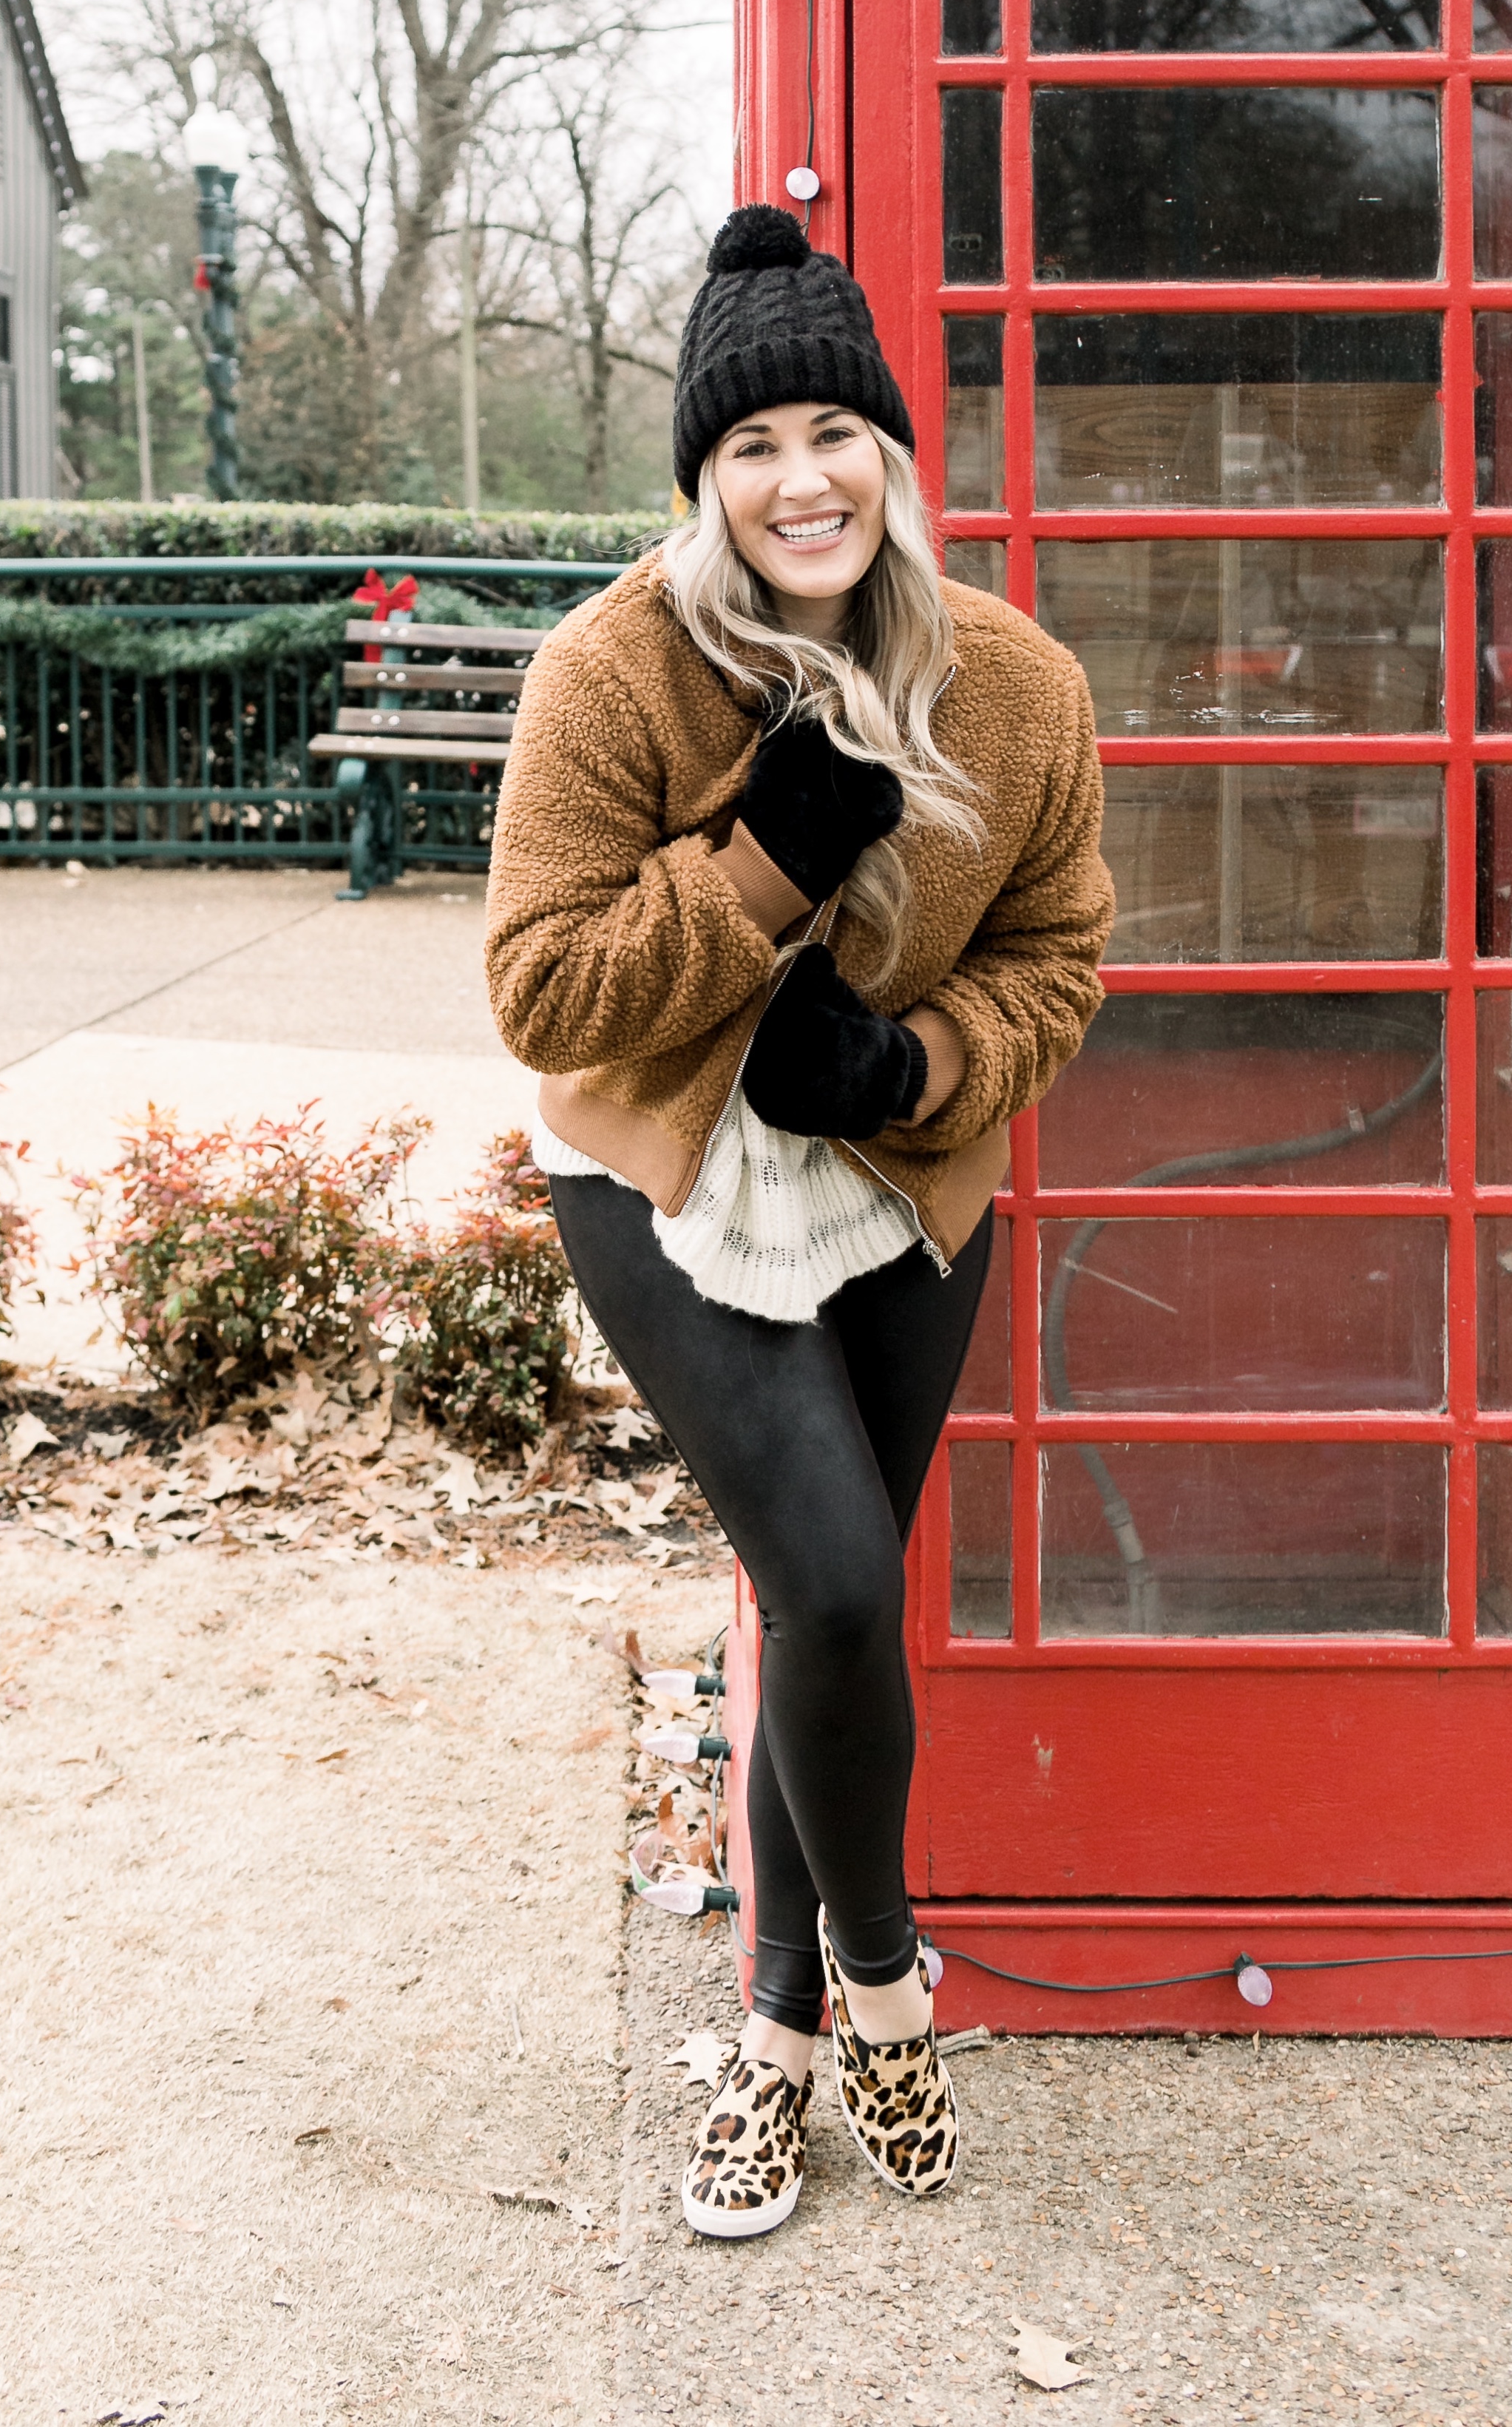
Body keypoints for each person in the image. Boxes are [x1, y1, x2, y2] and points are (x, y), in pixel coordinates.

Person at [484, 206, 1112, 2238]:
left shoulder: (1017, 687)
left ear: (894, 458)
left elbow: (1060, 961)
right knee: (835, 1585)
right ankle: (881, 2000)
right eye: (753, 447)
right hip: (663, 1176)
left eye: (836, 430)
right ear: (702, 480)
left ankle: (772, 2034)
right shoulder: (614, 671)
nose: (801, 478)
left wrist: (912, 1071)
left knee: (816, 1603)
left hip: (893, 1177)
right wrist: (758, 860)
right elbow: (548, 994)